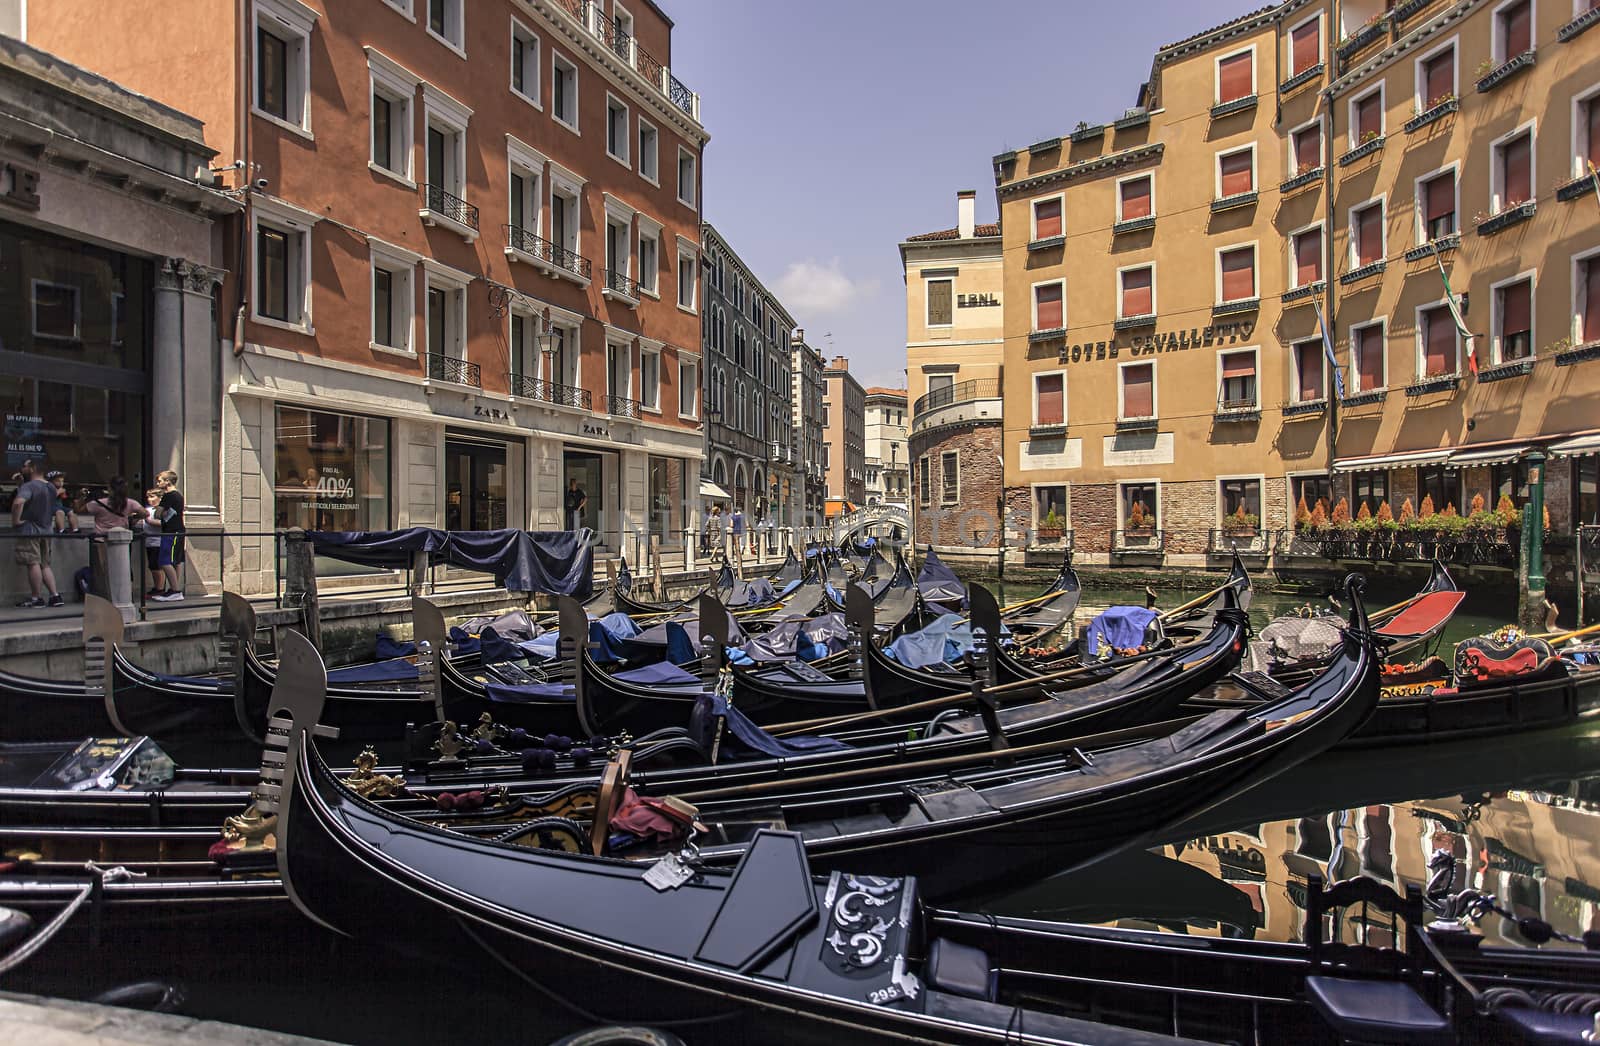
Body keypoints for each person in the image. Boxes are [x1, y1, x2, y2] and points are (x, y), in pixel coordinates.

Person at [11, 460, 65, 607]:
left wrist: (16, 521)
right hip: (47, 529)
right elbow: (37, 500)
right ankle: (55, 596)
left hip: (31, 530)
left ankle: (36, 598)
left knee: (33, 562)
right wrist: (20, 485)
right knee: (45, 564)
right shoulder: (51, 487)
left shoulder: (30, 486)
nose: (23, 468)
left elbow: (19, 502)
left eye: (26, 466)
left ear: (33, 468)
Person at [151, 469, 185, 601]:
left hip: (171, 531)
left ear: (167, 481)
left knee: (165, 560)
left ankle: (175, 591)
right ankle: (173, 589)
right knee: (175, 561)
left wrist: (161, 511)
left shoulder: (169, 496)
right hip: (176, 530)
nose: (158, 483)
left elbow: (157, 514)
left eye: (160, 481)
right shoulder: (179, 496)